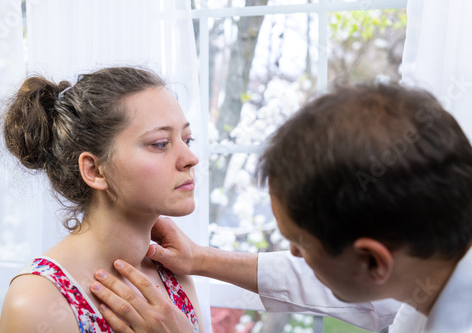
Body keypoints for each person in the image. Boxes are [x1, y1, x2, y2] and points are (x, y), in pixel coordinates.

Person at [92, 83, 472, 333]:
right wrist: (201, 260)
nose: (294, 255)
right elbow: (354, 288)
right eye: (161, 142)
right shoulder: (430, 263)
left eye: (300, 244)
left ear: (373, 261)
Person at [0, 67, 204, 333]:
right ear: (94, 170)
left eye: (187, 139)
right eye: (161, 143)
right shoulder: (36, 301)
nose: (191, 158)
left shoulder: (173, 276)